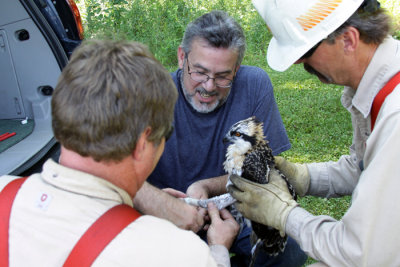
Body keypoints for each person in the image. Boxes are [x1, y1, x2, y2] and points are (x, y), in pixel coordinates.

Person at [0, 40, 239, 266]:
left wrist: (133, 202)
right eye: (165, 134)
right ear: (142, 143)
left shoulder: (4, 190)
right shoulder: (178, 253)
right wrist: (217, 249)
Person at [228, 0, 400, 266]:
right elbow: (365, 168)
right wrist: (304, 177)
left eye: (305, 52)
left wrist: (284, 214)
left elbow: (356, 252)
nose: (300, 63)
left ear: (348, 40)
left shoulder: (395, 115)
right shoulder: (379, 88)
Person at [133, 10, 307, 267]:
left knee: (290, 246)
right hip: (166, 216)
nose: (209, 86)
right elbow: (114, 177)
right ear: (182, 58)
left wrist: (207, 186)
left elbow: (268, 169)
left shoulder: (254, 84)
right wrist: (162, 204)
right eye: (199, 72)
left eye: (223, 76)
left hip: (233, 209)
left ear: (237, 69)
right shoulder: (149, 96)